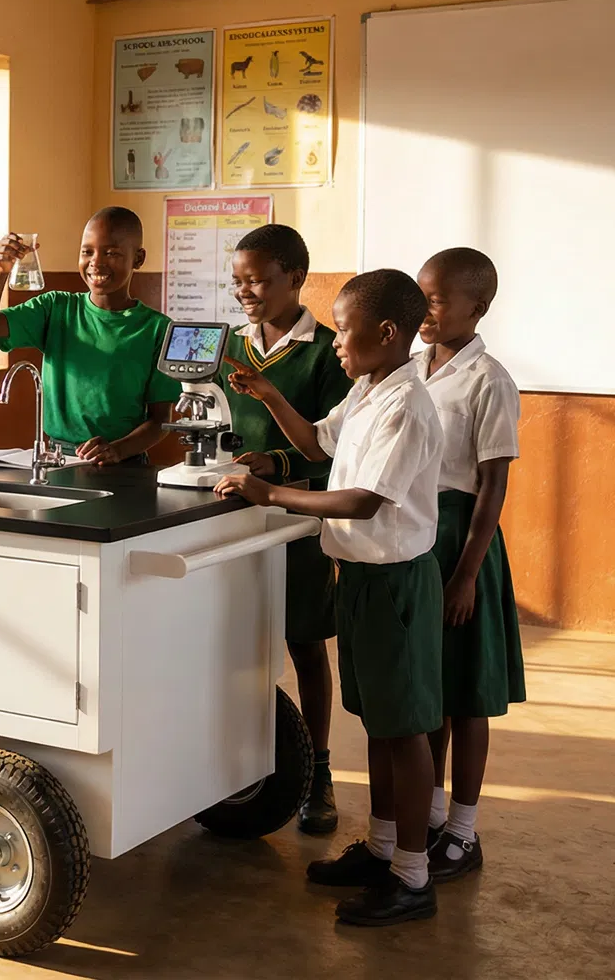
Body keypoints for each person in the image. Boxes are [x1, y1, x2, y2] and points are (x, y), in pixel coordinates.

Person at [215, 268, 445, 927]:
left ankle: (412, 875)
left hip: (396, 581)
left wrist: (273, 495)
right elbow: (317, 441)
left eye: (345, 330)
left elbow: (363, 500)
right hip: (363, 579)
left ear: (387, 331)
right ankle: (380, 848)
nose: (336, 341)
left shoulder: (406, 406)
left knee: (405, 728)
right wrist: (267, 392)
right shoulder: (371, 389)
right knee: (378, 720)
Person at [220, 223, 354, 835]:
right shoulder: (231, 348)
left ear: (296, 277)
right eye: (239, 280)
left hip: (297, 517)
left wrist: (278, 462)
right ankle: (232, 765)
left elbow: (337, 446)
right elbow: (219, 421)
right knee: (229, 642)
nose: (246, 291)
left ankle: (317, 772)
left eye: (259, 280)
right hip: (233, 517)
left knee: (304, 642)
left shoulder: (331, 352)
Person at [414, 247, 525, 883]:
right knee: (430, 688)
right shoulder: (411, 367)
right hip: (417, 536)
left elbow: (492, 486)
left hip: (463, 544)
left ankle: (463, 830)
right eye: (421, 296)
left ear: (476, 308)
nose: (424, 311)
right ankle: (428, 815)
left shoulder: (491, 380)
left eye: (437, 300)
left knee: (467, 694)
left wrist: (464, 574)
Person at [0, 207, 181, 465]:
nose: (97, 262)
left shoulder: (158, 329)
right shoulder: (56, 308)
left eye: (112, 253)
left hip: (124, 465)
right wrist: (2, 270)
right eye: (87, 251)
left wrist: (118, 450)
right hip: (57, 459)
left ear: (138, 258)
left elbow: (161, 420)